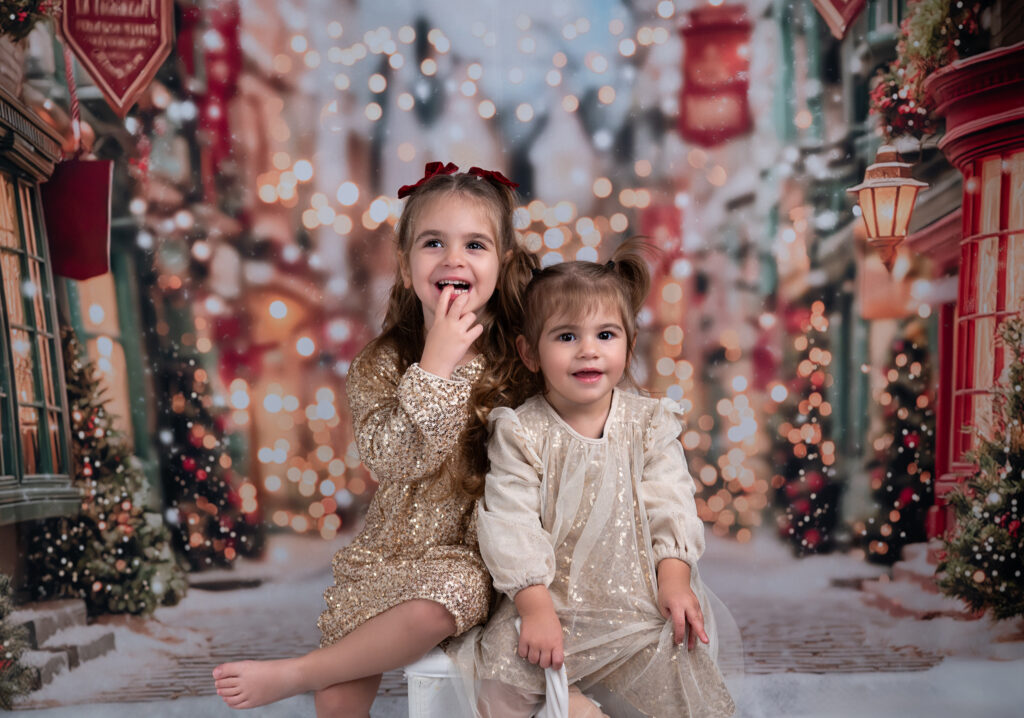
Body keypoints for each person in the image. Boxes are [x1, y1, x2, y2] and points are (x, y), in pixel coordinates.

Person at [213, 161, 539, 716]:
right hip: (388, 553)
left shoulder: (521, 354)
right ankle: (315, 677)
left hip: (476, 552)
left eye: (475, 245)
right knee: (340, 693)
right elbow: (394, 461)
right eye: (433, 243)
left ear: (502, 263)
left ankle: (292, 673)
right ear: (407, 264)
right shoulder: (382, 363)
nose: (453, 259)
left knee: (441, 602)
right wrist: (432, 369)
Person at [450, 238, 737, 718]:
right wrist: (535, 607)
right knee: (499, 690)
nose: (588, 351)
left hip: (636, 603)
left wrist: (674, 579)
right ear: (529, 352)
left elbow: (671, 503)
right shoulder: (522, 431)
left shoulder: (648, 424)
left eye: (606, 335)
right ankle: (573, 705)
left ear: (628, 343)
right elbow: (510, 520)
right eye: (566, 337)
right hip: (550, 602)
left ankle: (583, 701)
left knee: (685, 680)